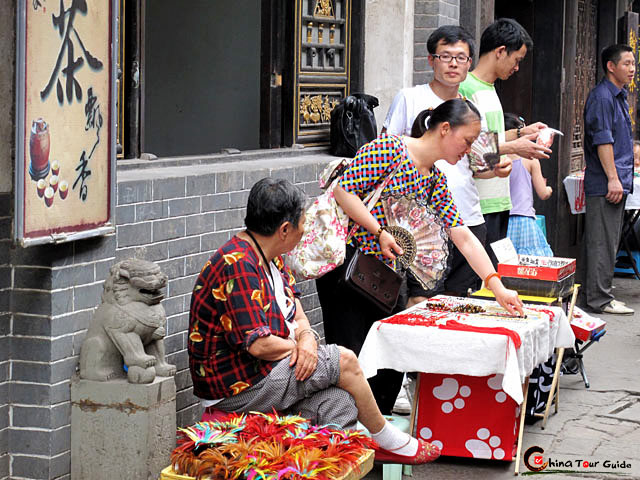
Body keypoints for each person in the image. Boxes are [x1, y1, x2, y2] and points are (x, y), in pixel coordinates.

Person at [188, 178, 440, 465]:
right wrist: (302, 349)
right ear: (284, 230)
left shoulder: (270, 253)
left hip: (271, 370)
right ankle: (388, 440)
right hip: (241, 387)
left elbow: (294, 304)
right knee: (343, 360)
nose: (305, 230)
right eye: (303, 224)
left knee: (340, 403)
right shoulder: (237, 264)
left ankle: (323, 467)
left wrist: (307, 336)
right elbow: (259, 345)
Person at [316, 99, 525, 415]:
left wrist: (497, 287)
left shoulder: (434, 179)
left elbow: (463, 236)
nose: (469, 150)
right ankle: (346, 439)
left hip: (386, 281)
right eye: (467, 141)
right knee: (351, 360)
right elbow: (344, 192)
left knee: (390, 363)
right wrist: (379, 231)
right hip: (350, 271)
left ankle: (377, 441)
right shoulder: (388, 149)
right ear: (444, 129)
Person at [383, 25, 513, 301]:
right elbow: (385, 154)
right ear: (431, 60)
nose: (454, 64)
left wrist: (499, 168)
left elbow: (484, 165)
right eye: (446, 56)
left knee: (458, 301)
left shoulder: (471, 106)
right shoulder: (409, 98)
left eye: (461, 58)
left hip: (468, 217)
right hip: (422, 224)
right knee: (421, 300)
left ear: (469, 63)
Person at [459, 18, 552, 266]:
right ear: (501, 51)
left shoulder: (489, 89)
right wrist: (514, 147)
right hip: (478, 203)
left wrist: (521, 134)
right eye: (517, 60)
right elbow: (470, 147)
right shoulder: (467, 88)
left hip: (498, 200)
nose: (517, 68)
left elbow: (489, 138)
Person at [581, 44, 635, 315]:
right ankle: (599, 300)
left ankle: (594, 295)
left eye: (633, 63)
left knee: (604, 240)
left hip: (615, 179)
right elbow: (603, 141)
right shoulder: (603, 97)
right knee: (603, 242)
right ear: (610, 66)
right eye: (626, 63)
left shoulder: (618, 96)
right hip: (605, 183)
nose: (632, 68)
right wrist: (613, 179)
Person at [504, 113, 554, 257]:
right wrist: (549, 188)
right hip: (525, 222)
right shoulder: (531, 160)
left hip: (503, 220)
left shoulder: (499, 158)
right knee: (529, 263)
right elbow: (543, 193)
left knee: (505, 263)